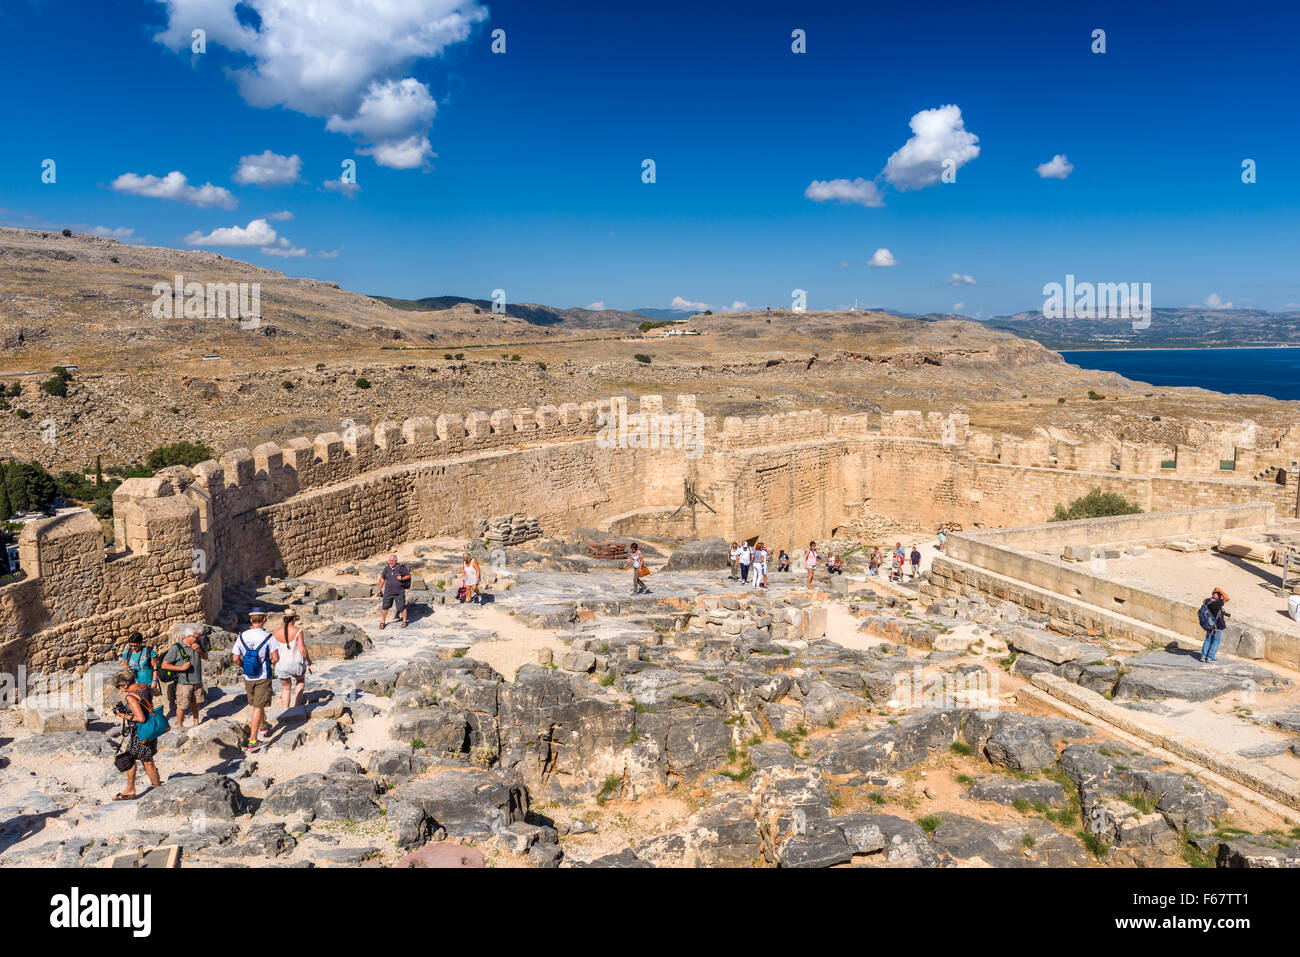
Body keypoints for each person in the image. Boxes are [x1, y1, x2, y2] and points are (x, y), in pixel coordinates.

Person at [232, 609, 279, 752]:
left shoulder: (241, 636)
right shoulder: (268, 637)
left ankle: (263, 725)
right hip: (263, 676)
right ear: (264, 620)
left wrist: (244, 666)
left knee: (257, 703)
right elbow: (276, 658)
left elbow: (235, 658)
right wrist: (269, 662)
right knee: (258, 707)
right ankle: (253, 741)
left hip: (248, 676)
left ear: (251, 620)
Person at [111, 673, 163, 800]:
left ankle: (139, 790)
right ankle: (156, 787)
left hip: (140, 733)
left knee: (139, 760)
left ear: (124, 684)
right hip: (150, 730)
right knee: (145, 760)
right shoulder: (143, 686)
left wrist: (122, 715)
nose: (119, 690)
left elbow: (140, 718)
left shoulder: (131, 697)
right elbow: (156, 693)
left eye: (119, 687)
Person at [159, 623, 207, 729]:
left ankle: (196, 722)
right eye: (196, 637)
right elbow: (164, 665)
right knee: (182, 705)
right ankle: (180, 726)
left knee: (196, 703)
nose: (198, 638)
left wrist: (199, 650)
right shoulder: (176, 648)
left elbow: (205, 656)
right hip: (184, 683)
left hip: (197, 680)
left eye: (199, 636)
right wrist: (181, 668)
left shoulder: (198, 644)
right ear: (188, 636)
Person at [273, 611, 310, 711]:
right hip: (296, 663)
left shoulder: (275, 632)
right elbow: (302, 649)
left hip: (281, 665)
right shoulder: (298, 630)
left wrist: (272, 663)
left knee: (285, 688)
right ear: (294, 618)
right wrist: (309, 660)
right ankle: (297, 708)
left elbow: (272, 651)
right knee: (300, 681)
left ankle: (285, 710)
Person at [120, 632, 161, 700]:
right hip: (134, 684)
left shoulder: (148, 651)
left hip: (147, 684)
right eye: (131, 645)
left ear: (140, 643)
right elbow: (125, 666)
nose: (133, 648)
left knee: (147, 704)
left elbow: (155, 667)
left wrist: (154, 681)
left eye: (135, 646)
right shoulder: (127, 653)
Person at [377, 553, 411, 630]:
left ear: (396, 561)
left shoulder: (401, 568)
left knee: (401, 607)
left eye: (393, 560)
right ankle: (382, 622)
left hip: (399, 592)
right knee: (384, 607)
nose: (391, 562)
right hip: (388, 592)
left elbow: (408, 575)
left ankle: (405, 621)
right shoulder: (386, 569)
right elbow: (382, 579)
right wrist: (379, 589)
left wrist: (402, 578)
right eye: (390, 560)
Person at [1200, 587, 1230, 663]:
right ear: (1217, 595)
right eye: (1219, 595)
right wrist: (1220, 590)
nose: (1221, 597)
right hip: (1218, 626)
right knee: (1215, 642)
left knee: (1207, 640)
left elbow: (1205, 599)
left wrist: (1213, 594)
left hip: (1209, 625)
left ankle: (1203, 656)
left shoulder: (1206, 601)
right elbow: (1227, 598)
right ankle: (1210, 657)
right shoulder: (1217, 603)